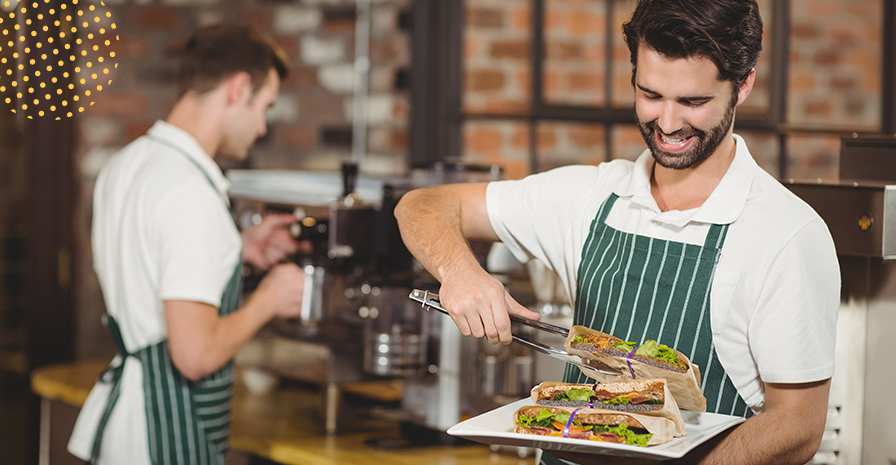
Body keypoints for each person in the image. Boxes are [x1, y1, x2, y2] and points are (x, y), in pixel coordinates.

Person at [394, 0, 840, 463]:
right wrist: (461, 273)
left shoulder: (787, 234)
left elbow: (799, 426)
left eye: (693, 102)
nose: (667, 124)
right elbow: (422, 204)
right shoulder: (589, 197)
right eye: (650, 95)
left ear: (743, 84)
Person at [67, 24, 307, 465]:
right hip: (163, 436)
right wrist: (269, 300)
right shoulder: (190, 193)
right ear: (237, 89)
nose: (261, 127)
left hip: (128, 424)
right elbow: (194, 356)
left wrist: (236, 247)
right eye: (264, 107)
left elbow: (150, 258)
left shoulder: (127, 163)